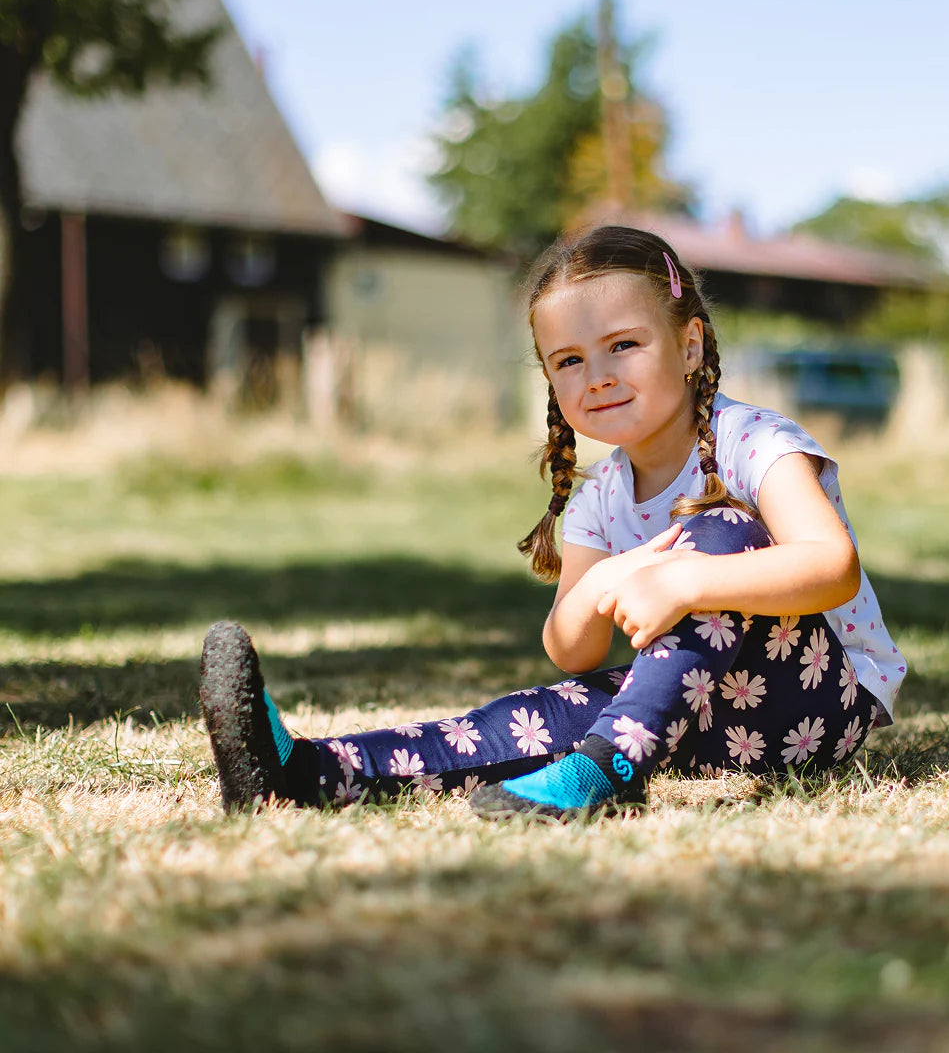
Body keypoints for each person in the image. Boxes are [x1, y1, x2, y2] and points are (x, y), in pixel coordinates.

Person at [198, 225, 905, 820]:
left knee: (725, 531)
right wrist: (618, 580)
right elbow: (573, 650)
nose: (596, 375)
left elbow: (831, 567)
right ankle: (308, 773)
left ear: (690, 346)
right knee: (524, 717)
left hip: (813, 705)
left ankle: (605, 775)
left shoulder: (754, 442)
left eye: (623, 345)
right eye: (569, 360)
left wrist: (683, 578)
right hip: (680, 713)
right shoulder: (601, 495)